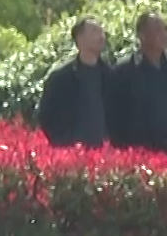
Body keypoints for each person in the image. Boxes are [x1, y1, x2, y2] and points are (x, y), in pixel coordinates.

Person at [109, 11, 167, 157]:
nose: (164, 35)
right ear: (142, 36)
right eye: (157, 30)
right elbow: (116, 117)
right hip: (141, 153)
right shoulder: (125, 70)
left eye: (165, 29)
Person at [37, 17, 112, 148]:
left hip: (104, 153)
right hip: (73, 152)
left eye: (102, 32)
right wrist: (65, 143)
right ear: (80, 39)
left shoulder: (110, 75)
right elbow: (46, 116)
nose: (101, 36)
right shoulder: (61, 77)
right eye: (95, 31)